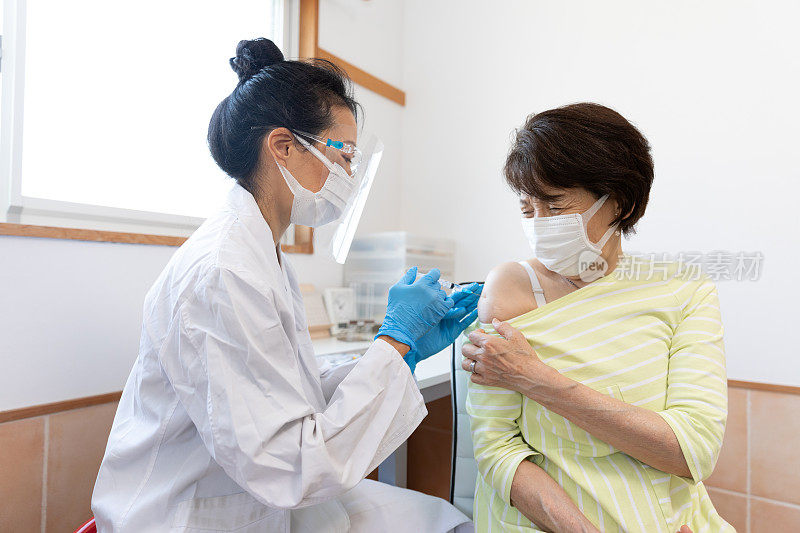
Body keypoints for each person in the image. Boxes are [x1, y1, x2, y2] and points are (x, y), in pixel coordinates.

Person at [91, 38, 477, 532]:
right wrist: (394, 340)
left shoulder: (262, 253)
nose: (350, 175)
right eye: (345, 155)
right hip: (191, 513)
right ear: (284, 146)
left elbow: (292, 396)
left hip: (255, 492)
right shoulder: (222, 270)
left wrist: (402, 352)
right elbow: (289, 463)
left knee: (440, 520)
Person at [461, 103, 729, 532]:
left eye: (554, 205)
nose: (539, 224)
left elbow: (691, 451)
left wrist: (534, 377)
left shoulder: (682, 289)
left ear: (619, 202)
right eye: (528, 210)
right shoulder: (511, 288)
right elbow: (496, 447)